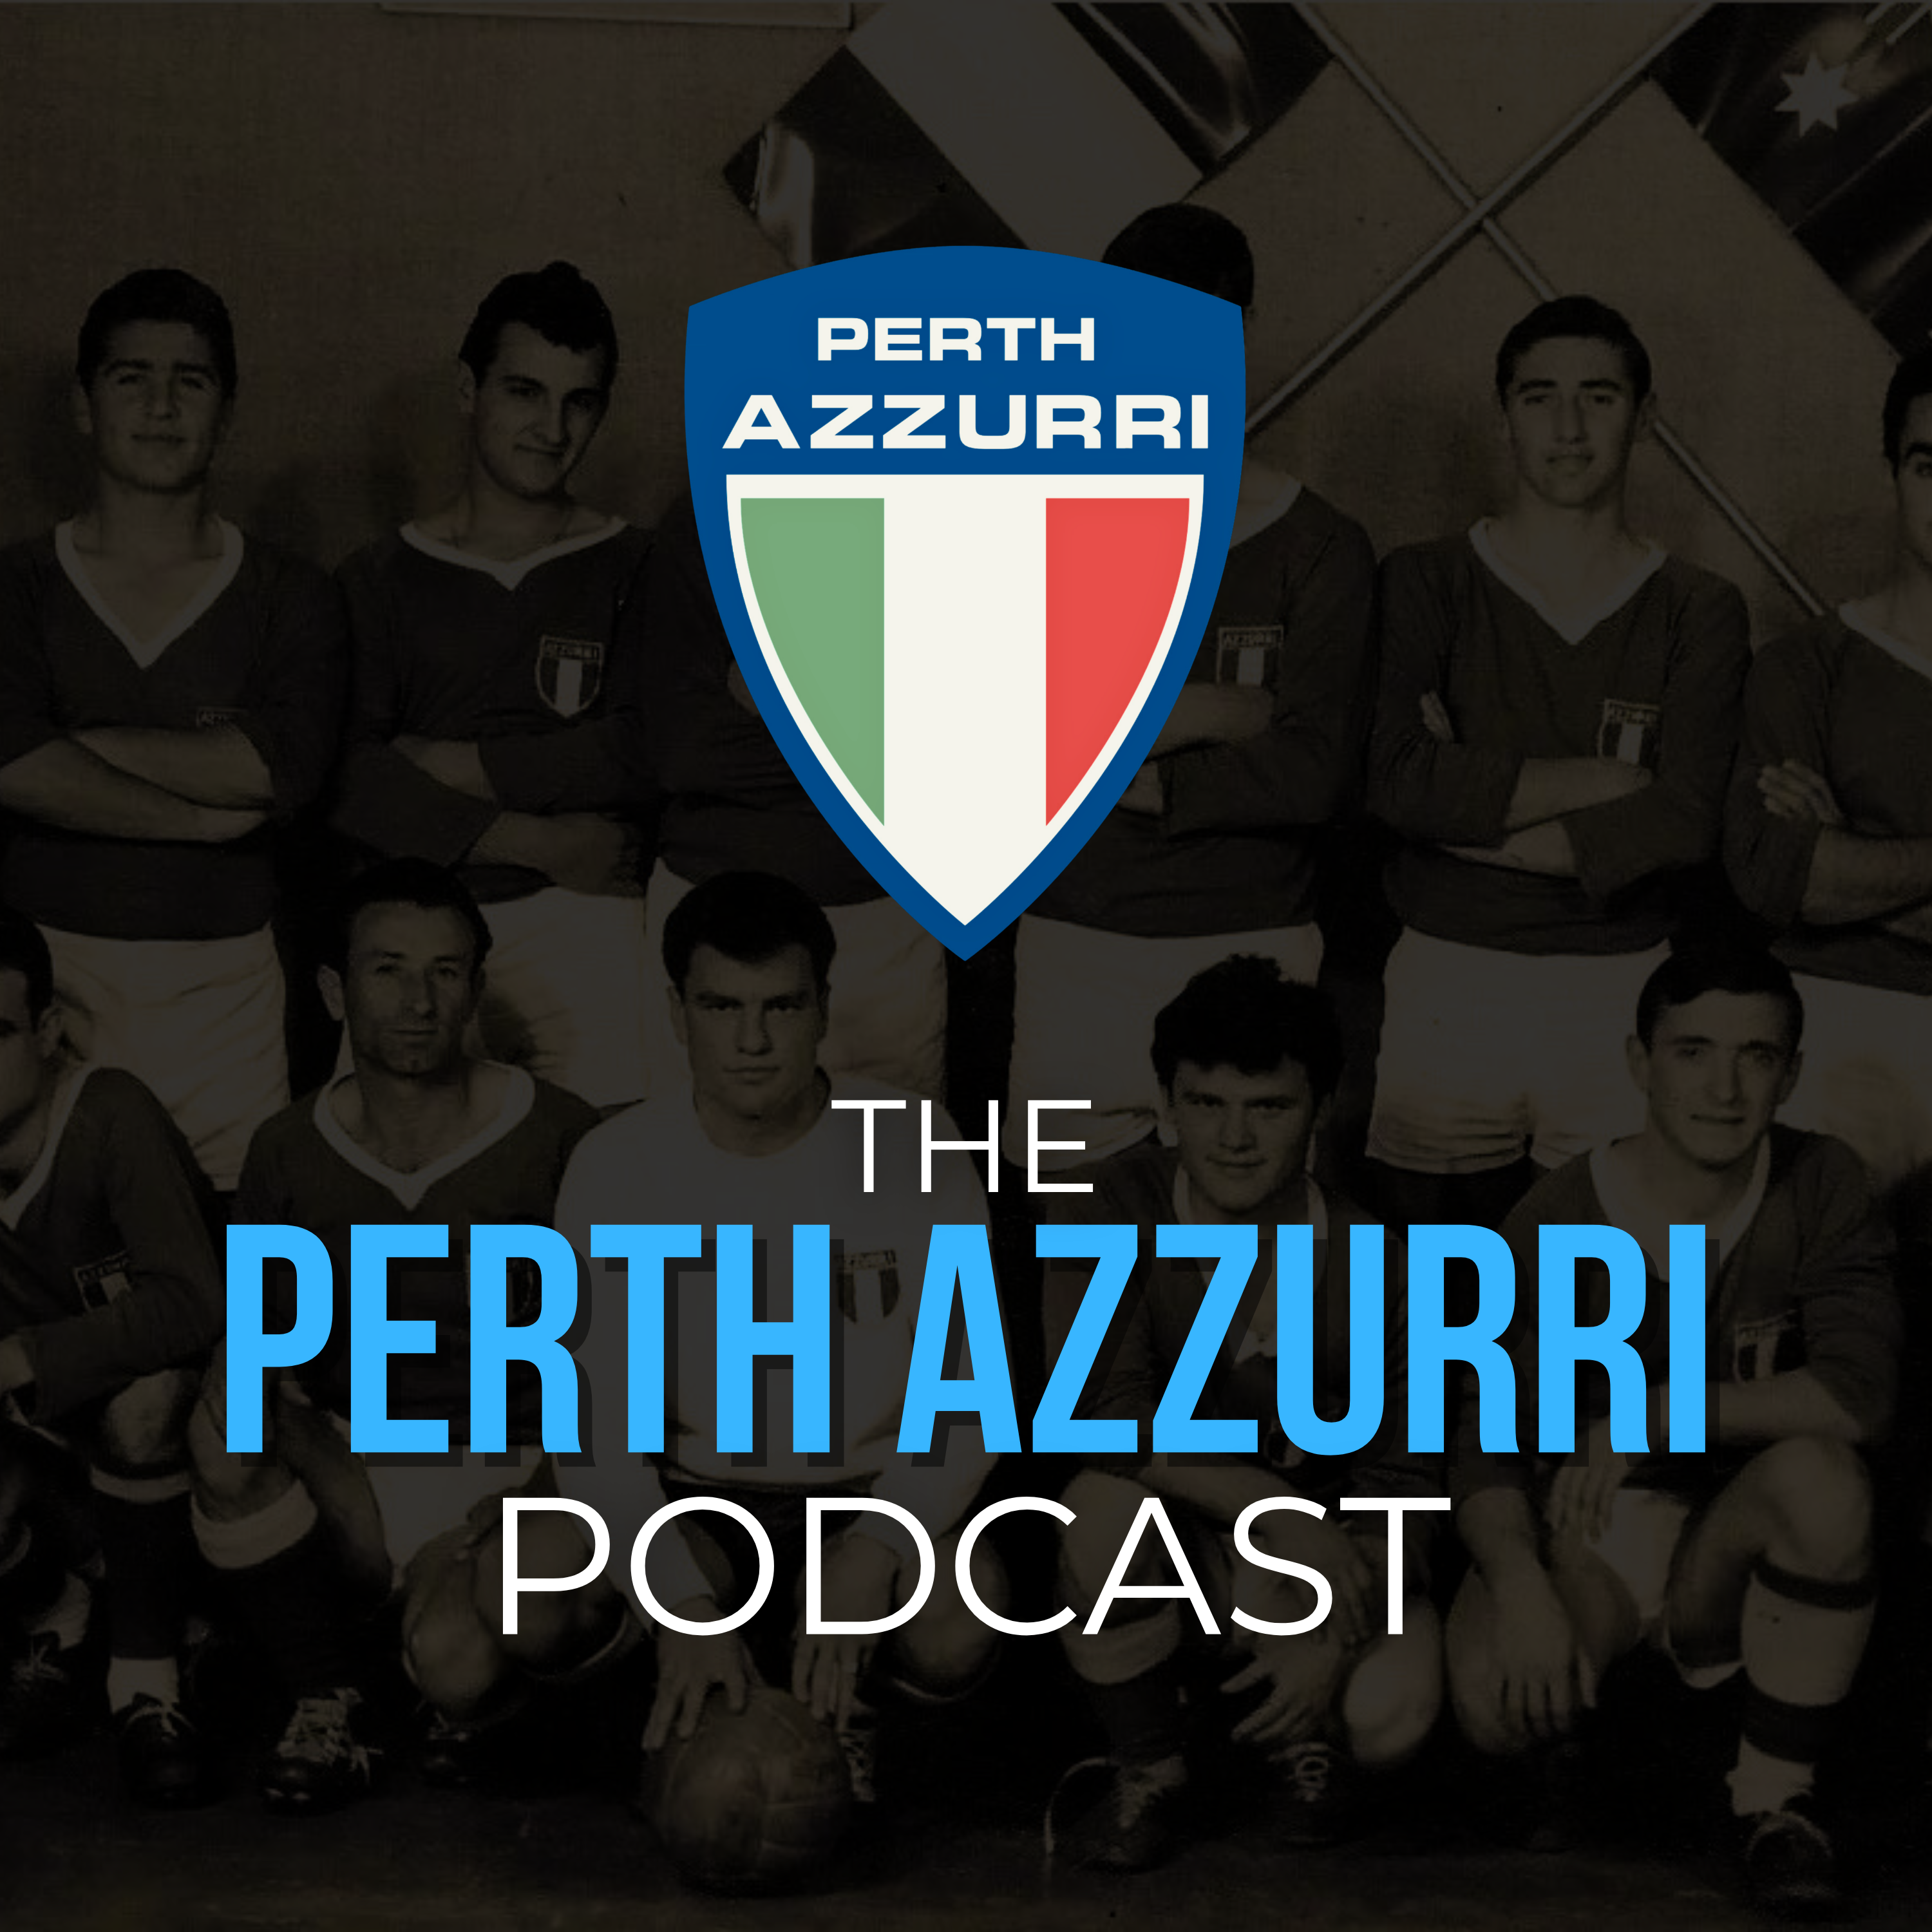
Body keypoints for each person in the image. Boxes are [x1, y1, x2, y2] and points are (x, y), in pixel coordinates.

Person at [414, 870, 1005, 1853]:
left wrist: (875, 1549)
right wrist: (681, 1603)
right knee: (528, 1598)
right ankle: (680, 1697)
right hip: (698, 1495)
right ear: (676, 1013)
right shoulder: (619, 1161)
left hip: (863, 1490)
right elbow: (595, 1428)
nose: (753, 1039)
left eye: (782, 1006)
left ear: (824, 1009)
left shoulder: (912, 1145)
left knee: (959, 1625)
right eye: (722, 1007)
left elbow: (969, 1400)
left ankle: (842, 1708)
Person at [1445, 945, 1899, 1917]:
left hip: (1741, 1526)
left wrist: (1655, 1410)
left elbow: (1860, 1397)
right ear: (1638, 1062)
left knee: (1825, 1480)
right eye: (1692, 1052)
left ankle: (1774, 1804)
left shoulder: (1820, 1178)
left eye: (1755, 1056)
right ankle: (1616, 1736)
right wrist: (1519, 1585)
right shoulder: (1558, 1215)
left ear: (1791, 1073)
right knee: (1491, 1705)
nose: (1724, 1089)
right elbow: (1480, 1435)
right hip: (1596, 1526)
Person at [186, 859, 598, 1812]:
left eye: (445, 972)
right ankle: (327, 1696)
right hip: (360, 1469)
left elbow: (623, 1362)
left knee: (461, 1668)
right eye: (389, 970)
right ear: (335, 991)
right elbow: (261, 1346)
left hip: (515, 1469)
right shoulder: (289, 1147)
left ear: (476, 989)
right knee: (222, 1414)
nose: (418, 1002)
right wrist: (280, 1422)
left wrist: (542, 1493)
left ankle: (460, 1669)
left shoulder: (561, 1134)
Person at [1004, 204, 1376, 1176]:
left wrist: (1121, 761)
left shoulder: (1320, 545)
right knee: (1072, 1239)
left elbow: (1313, 771)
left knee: (1253, 1252)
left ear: (1237, 336)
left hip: (1257, 941)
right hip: (1075, 940)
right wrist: (1227, 710)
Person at [1045, 957, 1440, 1868]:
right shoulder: (1108, 1206)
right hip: (1185, 1542)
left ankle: (1302, 1738)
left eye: (1268, 1107)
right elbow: (1101, 1414)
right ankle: (1152, 1763)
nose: (1233, 1137)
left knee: (1396, 1712)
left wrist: (1335, 1632)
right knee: (1097, 1510)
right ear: (1167, 1103)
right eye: (1207, 1103)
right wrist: (1267, 1503)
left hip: (1318, 1562)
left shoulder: (1380, 1257)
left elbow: (1407, 1485)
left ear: (1322, 1109)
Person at [1367, 296, 1750, 1228]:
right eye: (1539, 398)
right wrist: (1609, 783)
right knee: (1433, 1283)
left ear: (1645, 417)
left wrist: (1465, 807)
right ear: (1504, 415)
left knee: (1607, 1286)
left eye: (1599, 397)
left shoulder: (1698, 607)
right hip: (1447, 976)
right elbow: (1397, 780)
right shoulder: (1427, 580)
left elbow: (1684, 819)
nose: (1569, 428)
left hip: (1618, 981)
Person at [0, 269, 346, 1192]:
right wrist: (195, 819)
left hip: (227, 996)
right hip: (52, 982)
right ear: (83, 405)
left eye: (190, 381)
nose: (161, 407)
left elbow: (282, 769)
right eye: (131, 378)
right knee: (55, 1248)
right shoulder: (19, 585)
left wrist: (68, 741)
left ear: (226, 410)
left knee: (232, 1257)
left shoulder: (290, 592)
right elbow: (10, 766)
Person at [330, 261, 654, 1107]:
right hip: (422, 916)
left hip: (588, 912)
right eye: (524, 392)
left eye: (579, 402)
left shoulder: (635, 564)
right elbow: (351, 776)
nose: (551, 427)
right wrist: (531, 839)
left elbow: (639, 746)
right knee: (391, 1161)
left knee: (618, 1158)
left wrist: (452, 763)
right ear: (468, 389)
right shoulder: (377, 576)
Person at [0, 908, 225, 1804]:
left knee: (147, 1400)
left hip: (188, 1440)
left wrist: (22, 1356)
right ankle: (59, 1612)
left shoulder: (109, 1112)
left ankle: (146, 1681)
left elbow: (197, 1303)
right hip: (53, 1443)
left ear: (47, 1031)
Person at [634, 495, 947, 1101]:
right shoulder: (708, 518)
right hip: (712, 906)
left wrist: (768, 697)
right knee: (703, 1149)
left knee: (885, 1153)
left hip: (885, 915)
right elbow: (685, 750)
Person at [1725, 347, 1932, 1213]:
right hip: (1837, 1021)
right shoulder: (1805, 668)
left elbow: (1835, 874)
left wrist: (1854, 849)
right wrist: (1824, 862)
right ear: (1893, 474)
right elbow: (1795, 881)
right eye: (1928, 466)